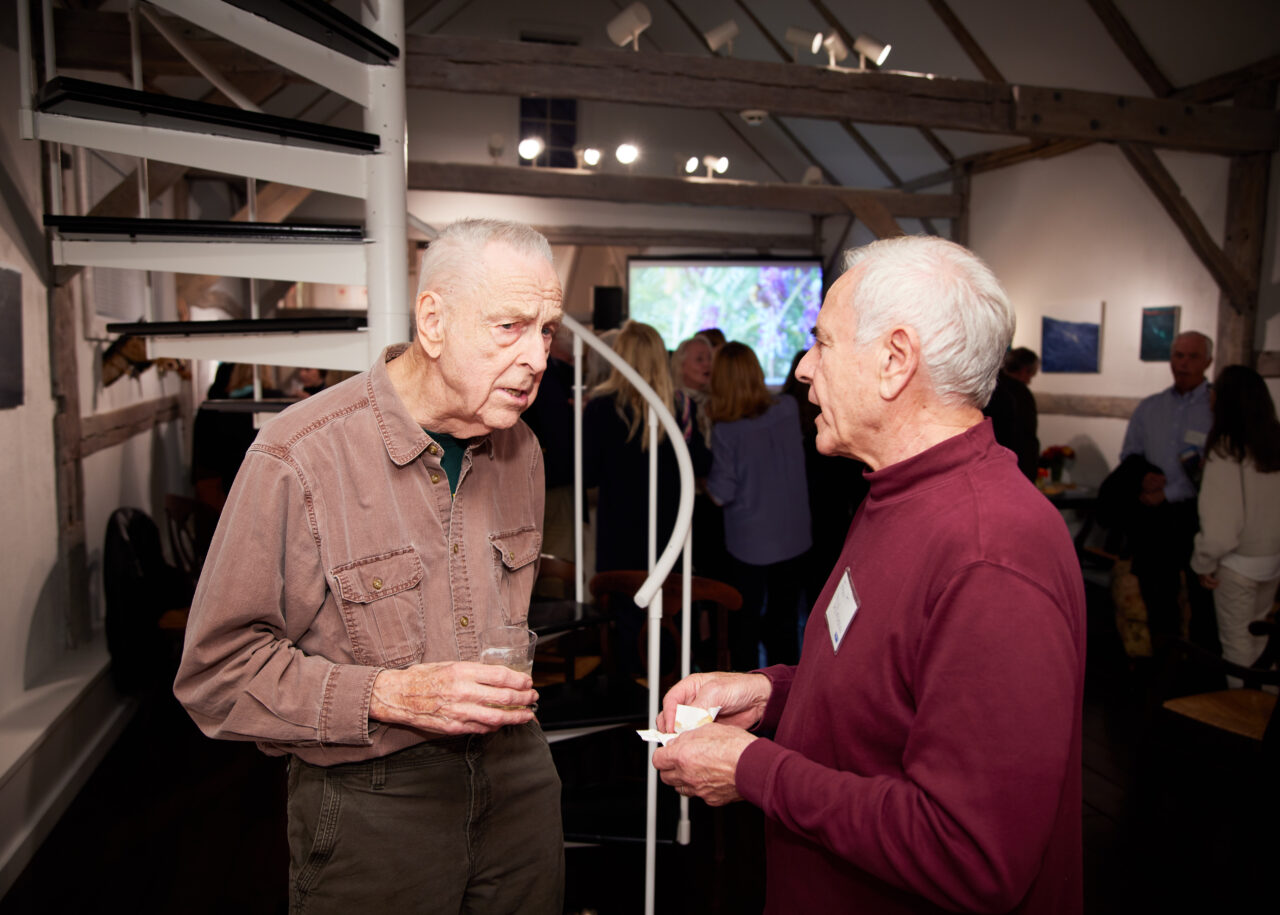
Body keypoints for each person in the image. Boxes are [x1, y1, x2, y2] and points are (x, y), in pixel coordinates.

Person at [651, 236, 1086, 914]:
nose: (802, 369)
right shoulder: (897, 495)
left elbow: (969, 852)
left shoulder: (990, 550)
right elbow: (890, 689)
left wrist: (750, 767)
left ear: (894, 360)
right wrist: (770, 693)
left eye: (823, 342)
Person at [174, 219, 565, 914]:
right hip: (373, 797)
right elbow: (217, 673)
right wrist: (389, 695)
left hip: (518, 775)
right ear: (433, 321)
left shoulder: (522, 449)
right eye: (511, 326)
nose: (537, 357)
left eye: (548, 331)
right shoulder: (298, 455)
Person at [705, 342, 812, 667]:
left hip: (750, 541)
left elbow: (722, 493)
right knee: (786, 621)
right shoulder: (789, 408)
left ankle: (747, 702)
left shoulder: (727, 430)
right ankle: (788, 697)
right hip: (794, 533)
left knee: (745, 627)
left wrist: (702, 481)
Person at [584, 321, 710, 574]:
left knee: (624, 605)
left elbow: (588, 474)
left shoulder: (600, 407)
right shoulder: (679, 406)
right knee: (669, 606)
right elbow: (702, 463)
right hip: (669, 528)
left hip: (619, 529)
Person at [1119, 330, 1217, 651]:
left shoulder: (1216, 409)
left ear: (1208, 361)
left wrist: (1169, 491)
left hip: (1197, 518)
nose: (1183, 363)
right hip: (1155, 520)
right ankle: (1163, 678)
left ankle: (1202, 684)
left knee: (1204, 606)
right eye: (1178, 356)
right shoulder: (1150, 408)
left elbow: (1217, 470)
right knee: (1158, 602)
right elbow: (1130, 453)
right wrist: (1143, 477)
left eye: (1192, 357)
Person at [1190, 365, 1280, 687]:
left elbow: (1221, 526)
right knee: (1262, 647)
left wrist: (1204, 561)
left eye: (1215, 389)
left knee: (1238, 651)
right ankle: (1266, 720)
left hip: (1238, 564)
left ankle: (1246, 726)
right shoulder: (1272, 444)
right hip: (1270, 561)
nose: (1210, 395)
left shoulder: (1227, 449)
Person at [984, 346, 1040, 481]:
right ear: (1024, 370)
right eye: (1031, 374)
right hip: (1014, 466)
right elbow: (1025, 435)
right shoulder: (1020, 394)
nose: (1029, 381)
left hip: (989, 463)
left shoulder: (988, 386)